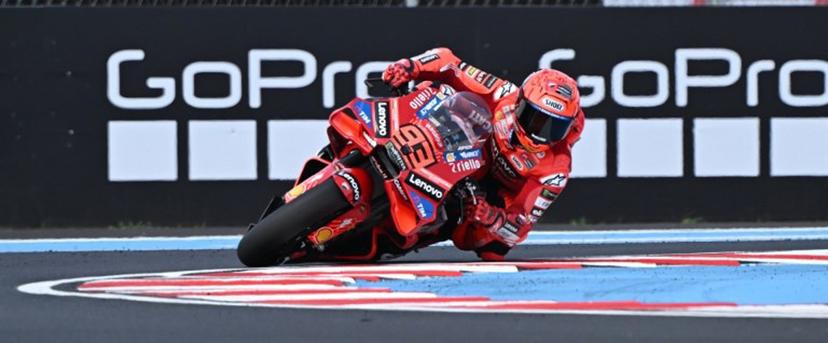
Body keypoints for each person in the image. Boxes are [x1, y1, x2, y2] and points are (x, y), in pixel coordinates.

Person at [383, 47, 586, 261]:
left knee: (493, 249)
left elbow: (521, 225)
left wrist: (493, 218)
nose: (539, 134)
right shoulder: (503, 94)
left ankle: (418, 232)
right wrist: (410, 66)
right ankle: (386, 132)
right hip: (464, 152)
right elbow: (450, 63)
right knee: (437, 94)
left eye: (554, 127)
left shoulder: (556, 170)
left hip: (490, 196)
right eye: (534, 118)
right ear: (520, 103)